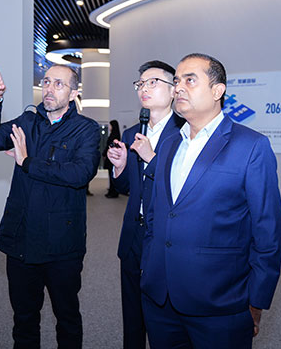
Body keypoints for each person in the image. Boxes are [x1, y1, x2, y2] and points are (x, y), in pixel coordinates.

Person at [140, 53, 281, 349]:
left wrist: (256, 299)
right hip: (160, 298)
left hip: (220, 303)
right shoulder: (169, 144)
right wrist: (148, 266)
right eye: (177, 81)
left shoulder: (251, 146)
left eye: (190, 80)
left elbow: (268, 231)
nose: (179, 87)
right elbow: (156, 213)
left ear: (217, 91)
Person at [0, 63, 100, 348]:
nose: (49, 89)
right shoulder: (27, 122)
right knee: (24, 319)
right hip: (21, 240)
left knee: (67, 317)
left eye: (59, 84)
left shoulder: (86, 129)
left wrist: (28, 162)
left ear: (74, 93)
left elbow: (80, 173)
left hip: (62, 245)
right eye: (46, 82)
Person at [106, 60, 184, 349]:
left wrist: (152, 158)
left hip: (165, 236)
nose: (144, 88)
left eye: (153, 82)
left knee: (165, 318)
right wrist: (119, 168)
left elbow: (181, 190)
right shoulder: (131, 134)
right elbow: (127, 188)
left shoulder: (185, 133)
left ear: (174, 90)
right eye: (140, 84)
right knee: (132, 315)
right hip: (133, 235)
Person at [103, 119, 121, 198]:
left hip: (111, 158)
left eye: (110, 125)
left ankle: (113, 192)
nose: (109, 127)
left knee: (112, 175)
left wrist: (104, 154)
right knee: (112, 174)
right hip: (113, 157)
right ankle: (112, 190)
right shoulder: (116, 134)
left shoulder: (113, 136)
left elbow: (108, 147)